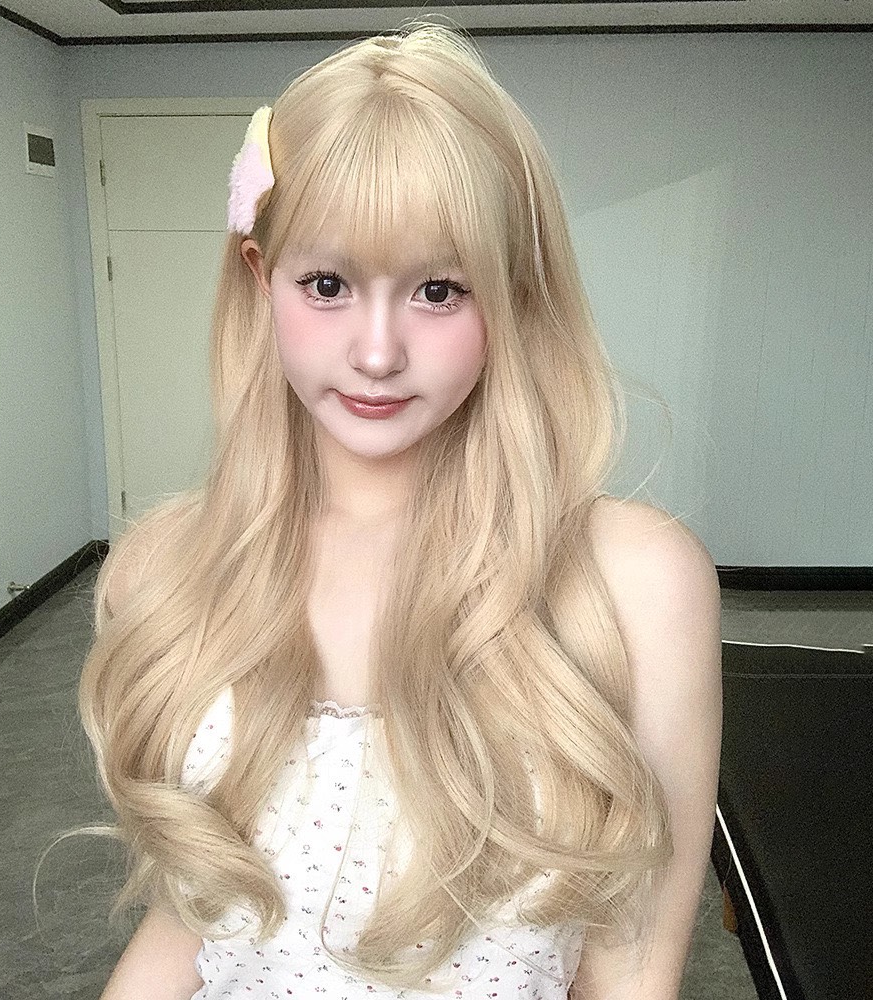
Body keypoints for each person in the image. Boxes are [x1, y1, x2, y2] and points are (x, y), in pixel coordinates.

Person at [77, 20, 722, 1000]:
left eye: (438, 289)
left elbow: (633, 967)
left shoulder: (636, 583)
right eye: (326, 284)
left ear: (513, 295)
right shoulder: (162, 569)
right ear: (259, 278)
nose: (376, 352)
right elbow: (192, 920)